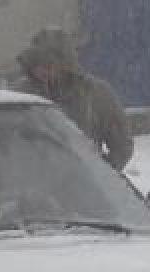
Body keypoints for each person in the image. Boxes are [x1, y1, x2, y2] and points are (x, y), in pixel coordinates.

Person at [13, 27, 134, 171]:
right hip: (32, 179)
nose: (41, 70)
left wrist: (100, 173)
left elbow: (121, 145)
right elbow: (6, 139)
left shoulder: (95, 93)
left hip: (79, 180)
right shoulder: (20, 94)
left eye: (49, 65)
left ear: (65, 65)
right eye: (36, 64)